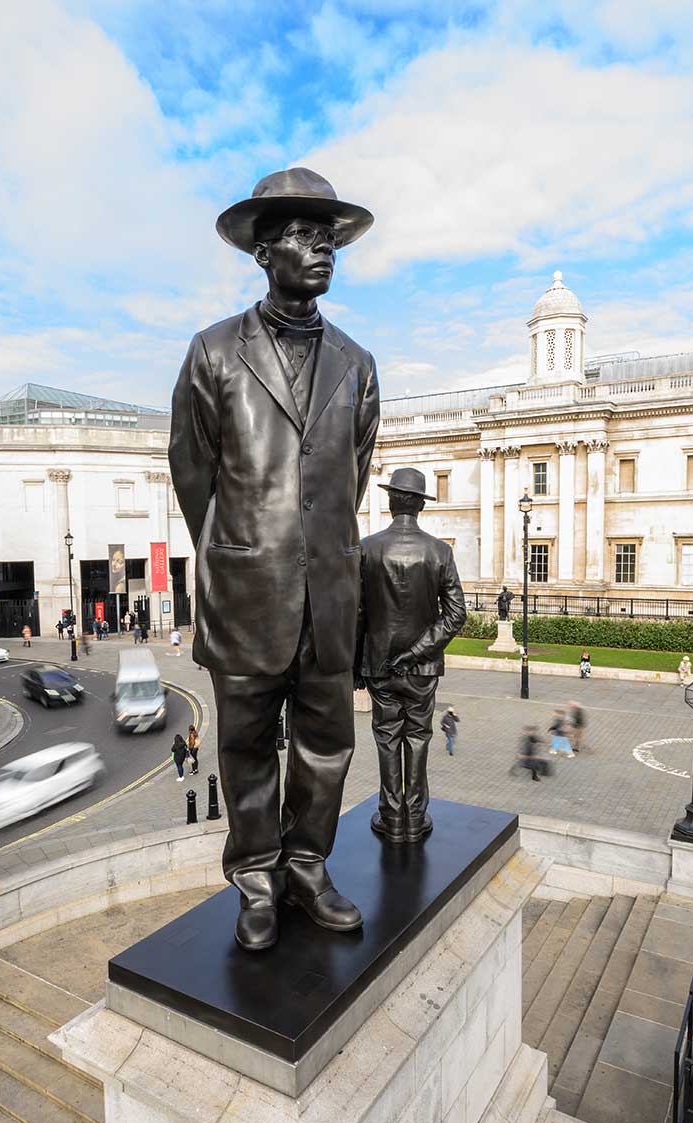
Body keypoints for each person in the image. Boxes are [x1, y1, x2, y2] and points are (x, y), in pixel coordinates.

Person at [169, 167, 378, 951]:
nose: (321, 251)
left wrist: (315, 554)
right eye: (302, 236)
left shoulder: (357, 362)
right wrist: (239, 552)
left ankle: (308, 869)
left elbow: (350, 476)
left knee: (327, 745)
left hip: (330, 595)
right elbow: (193, 473)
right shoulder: (215, 351)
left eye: (329, 240)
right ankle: (255, 876)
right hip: (245, 592)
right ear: (264, 251)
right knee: (247, 746)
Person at [355, 466, 467, 843]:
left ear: (390, 501)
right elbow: (456, 615)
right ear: (420, 505)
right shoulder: (440, 551)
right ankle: (415, 817)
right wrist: (418, 651)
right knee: (418, 737)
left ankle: (391, 816)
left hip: (379, 663)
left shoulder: (367, 548)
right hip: (422, 668)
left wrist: (358, 664)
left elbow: (355, 612)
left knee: (387, 738)